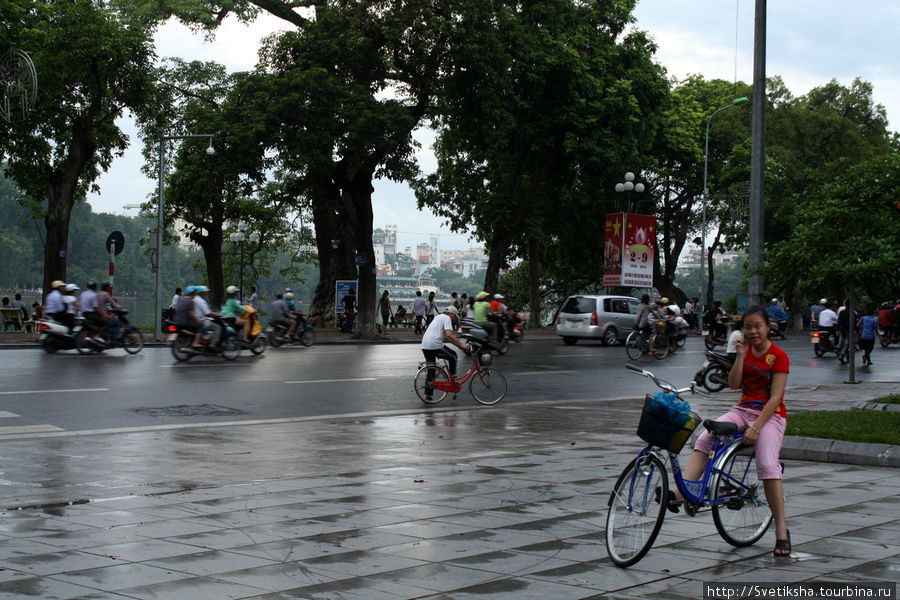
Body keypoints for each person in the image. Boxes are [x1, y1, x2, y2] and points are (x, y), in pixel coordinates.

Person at [673, 305, 791, 556]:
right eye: (748, 327)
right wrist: (740, 356)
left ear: (768, 327)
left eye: (758, 326)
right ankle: (682, 492)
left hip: (770, 417)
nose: (753, 331)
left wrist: (757, 428)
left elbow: (776, 398)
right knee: (705, 437)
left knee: (768, 465)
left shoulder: (778, 356)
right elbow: (735, 384)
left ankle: (781, 530)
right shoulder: (745, 352)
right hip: (743, 409)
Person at [420, 305, 471, 401]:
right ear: (451, 314)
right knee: (453, 356)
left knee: (431, 369)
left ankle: (427, 395)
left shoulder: (438, 317)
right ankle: (452, 382)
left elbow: (448, 338)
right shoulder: (447, 318)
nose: (454, 319)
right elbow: (449, 334)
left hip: (425, 345)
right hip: (435, 345)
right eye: (455, 316)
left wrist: (459, 345)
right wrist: (463, 345)